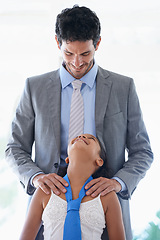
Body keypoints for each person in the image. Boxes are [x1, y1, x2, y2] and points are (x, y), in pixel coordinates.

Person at [5, 5, 153, 240]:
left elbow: (142, 152)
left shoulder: (123, 88)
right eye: (68, 53)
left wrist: (117, 184)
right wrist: (36, 177)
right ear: (57, 43)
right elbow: (14, 148)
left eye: (85, 54)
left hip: (105, 212)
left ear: (98, 43)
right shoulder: (34, 88)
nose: (76, 62)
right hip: (48, 211)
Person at [19, 134, 125, 240]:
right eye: (78, 136)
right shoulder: (45, 190)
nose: (82, 136)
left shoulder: (107, 196)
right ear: (67, 158)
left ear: (99, 161)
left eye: (91, 139)